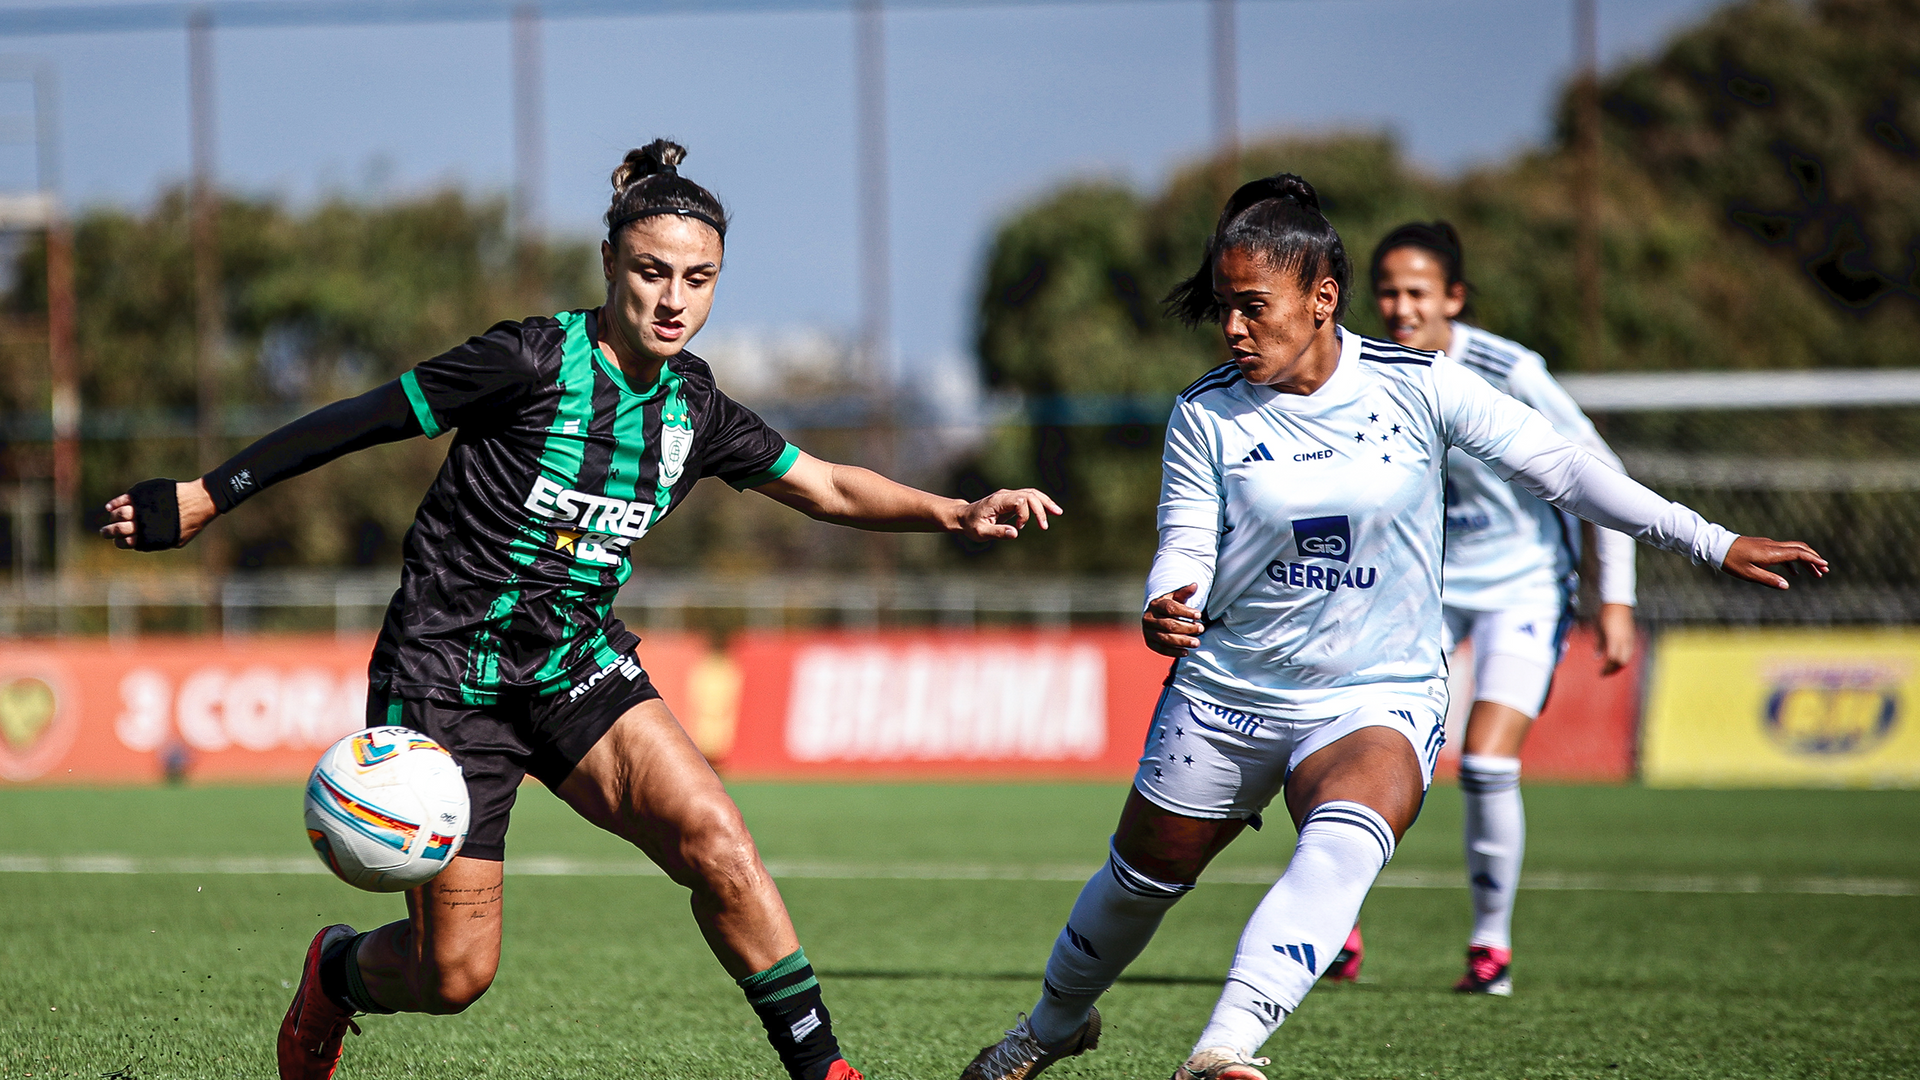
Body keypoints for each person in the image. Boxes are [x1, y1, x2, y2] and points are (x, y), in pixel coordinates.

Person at [100, 139, 1062, 1080]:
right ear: (610, 264)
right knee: (453, 974)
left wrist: (955, 510)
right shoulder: (526, 361)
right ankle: (337, 973)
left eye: (700, 277)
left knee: (719, 843)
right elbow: (359, 420)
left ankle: (827, 1072)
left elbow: (829, 489)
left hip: (574, 667)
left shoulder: (697, 408)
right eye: (651, 271)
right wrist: (206, 494)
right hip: (446, 678)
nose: (674, 298)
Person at [956, 173, 1824, 1080]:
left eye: (1253, 307)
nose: (1234, 329)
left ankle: (1221, 1053)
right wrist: (1168, 597)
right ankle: (1050, 1027)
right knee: (1140, 887)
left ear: (1322, 298)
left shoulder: (1419, 386)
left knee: (1345, 840)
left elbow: (1566, 468)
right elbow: (1183, 539)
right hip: (1228, 692)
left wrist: (1710, 539)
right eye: (1224, 310)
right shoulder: (1205, 412)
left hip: (1377, 691)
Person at [1364, 220, 1637, 994]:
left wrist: (1614, 599)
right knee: (1353, 746)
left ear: (1453, 296)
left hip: (1524, 584)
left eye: (1417, 292)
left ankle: (1490, 948)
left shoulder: (1508, 370)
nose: (1400, 307)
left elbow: (1597, 471)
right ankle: (1334, 919)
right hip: (1424, 590)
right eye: (1387, 291)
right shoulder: (1369, 370)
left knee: (1484, 760)